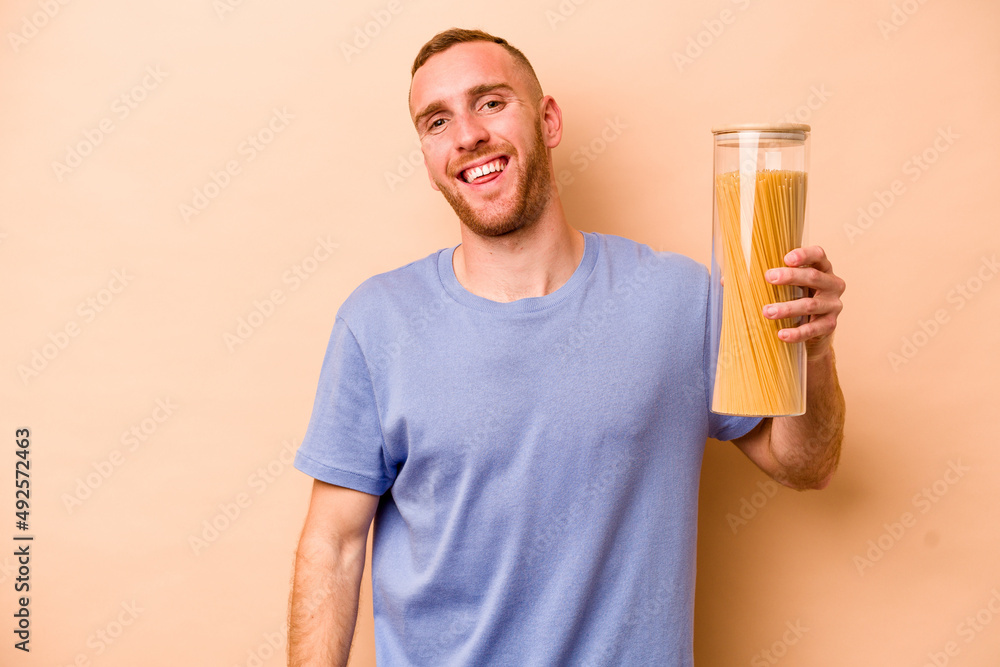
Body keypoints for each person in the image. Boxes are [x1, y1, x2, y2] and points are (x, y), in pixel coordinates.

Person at [287, 28, 845, 666]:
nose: (467, 135)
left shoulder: (680, 302)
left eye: (491, 103)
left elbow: (804, 465)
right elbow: (332, 546)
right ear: (426, 154)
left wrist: (815, 354)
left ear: (547, 120)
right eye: (437, 121)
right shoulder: (378, 323)